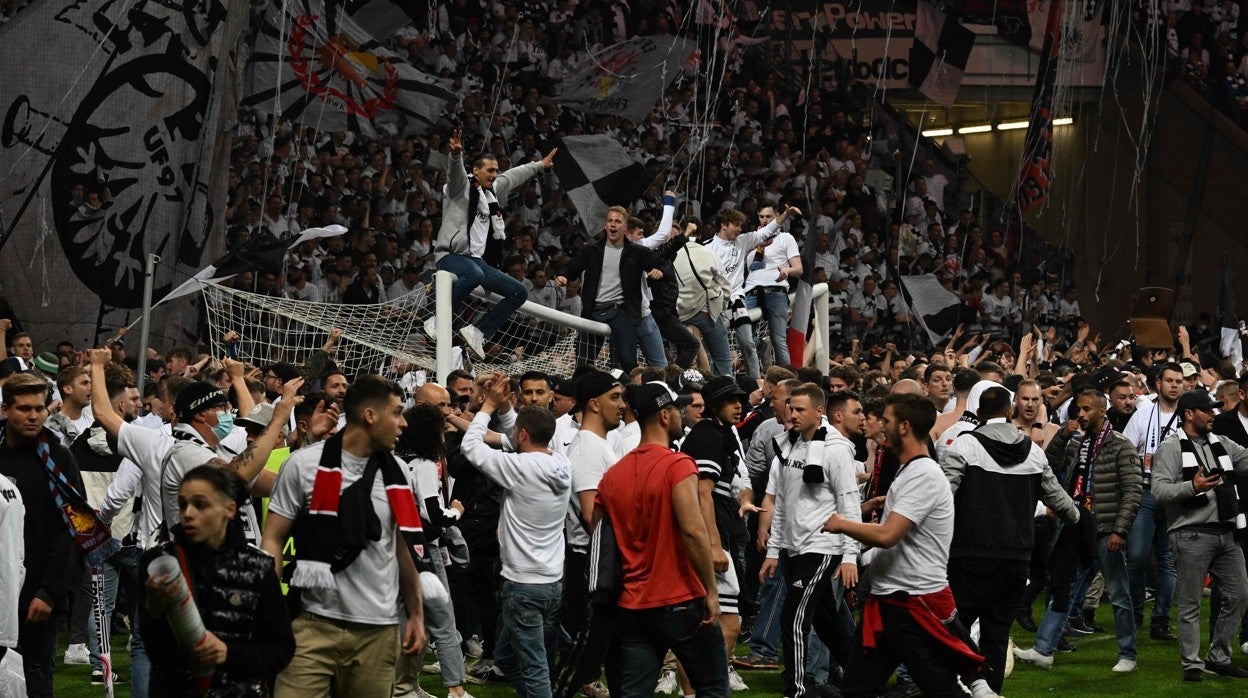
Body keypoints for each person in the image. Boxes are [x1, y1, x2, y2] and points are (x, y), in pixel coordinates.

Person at [262, 375, 427, 696]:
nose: (403, 423)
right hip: (313, 624)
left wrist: (417, 614)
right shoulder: (302, 465)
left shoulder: (399, 473)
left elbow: (400, 548)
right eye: (396, 412)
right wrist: (267, 607)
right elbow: (273, 540)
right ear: (370, 416)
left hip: (378, 632)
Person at [825, 393, 987, 698]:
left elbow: (889, 535)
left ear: (904, 427)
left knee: (938, 685)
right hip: (890, 600)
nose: (880, 426)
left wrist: (840, 523)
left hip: (913, 602)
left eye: (886, 420)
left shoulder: (923, 474)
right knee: (858, 688)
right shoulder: (909, 470)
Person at [594, 381, 729, 697]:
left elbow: (598, 529)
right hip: (680, 598)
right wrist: (711, 591)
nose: (682, 414)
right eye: (677, 408)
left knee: (634, 692)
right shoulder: (678, 464)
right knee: (711, 687)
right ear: (664, 416)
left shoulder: (613, 476)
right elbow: (693, 531)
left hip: (632, 603)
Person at [940, 387, 1081, 686]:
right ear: (1009, 411)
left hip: (970, 556)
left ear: (979, 414)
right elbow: (1064, 505)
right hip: (1015, 559)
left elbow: (941, 497)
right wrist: (1079, 518)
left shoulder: (965, 446)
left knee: (956, 629)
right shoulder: (1032, 452)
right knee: (997, 633)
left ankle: (954, 688)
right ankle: (989, 689)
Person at [1014, 389, 1142, 674]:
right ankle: (1044, 650)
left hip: (1106, 526)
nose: (1080, 415)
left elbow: (1133, 491)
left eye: (1086, 410)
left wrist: (1120, 530)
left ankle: (1128, 654)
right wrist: (1061, 436)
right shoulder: (1077, 442)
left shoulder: (1121, 445)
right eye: (1078, 410)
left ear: (1101, 411)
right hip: (1078, 524)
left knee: (1118, 593)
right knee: (1064, 586)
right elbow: (1049, 464)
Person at [460, 374, 572, 698]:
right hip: (551, 581)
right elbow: (516, 436)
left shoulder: (518, 468)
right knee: (508, 658)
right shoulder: (560, 462)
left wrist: (489, 406)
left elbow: (470, 446)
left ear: (523, 435)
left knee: (535, 666)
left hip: (523, 585)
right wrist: (507, 404)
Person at [139, 466, 295, 695]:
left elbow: (280, 650)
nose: (187, 514)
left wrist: (228, 653)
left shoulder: (258, 567)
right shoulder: (161, 562)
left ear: (230, 509)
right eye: (182, 504)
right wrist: (153, 608)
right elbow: (155, 652)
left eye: (200, 505)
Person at [0, 372, 109, 697]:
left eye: (39, 408)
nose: (33, 416)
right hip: (1, 586)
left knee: (35, 677)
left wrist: (49, 591)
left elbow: (71, 531)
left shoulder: (58, 459)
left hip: (37, 591)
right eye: (24, 409)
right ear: (6, 410)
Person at [760, 385, 861, 697]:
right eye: (791, 408)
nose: (792, 415)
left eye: (800, 409)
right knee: (830, 624)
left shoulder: (836, 449)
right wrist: (775, 551)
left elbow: (849, 504)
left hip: (822, 547)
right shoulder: (788, 448)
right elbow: (781, 505)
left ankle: (797, 688)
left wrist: (848, 556)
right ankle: (864, 679)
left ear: (820, 412)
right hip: (793, 548)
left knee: (793, 617)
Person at [1151, 390, 1248, 681]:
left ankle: (1219, 656)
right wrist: (1192, 487)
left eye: (1214, 410)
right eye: (1207, 410)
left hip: (1227, 532)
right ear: (1189, 413)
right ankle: (1192, 663)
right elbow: (1159, 491)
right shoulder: (1170, 448)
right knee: (1191, 602)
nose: (1213, 415)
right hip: (1191, 532)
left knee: (1241, 594)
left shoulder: (1222, 443)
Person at [434, 129, 555, 359]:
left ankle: (477, 332)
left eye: (495, 170)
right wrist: (456, 156)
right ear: (475, 171)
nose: (494, 174)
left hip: (477, 263)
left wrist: (539, 165)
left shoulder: (490, 192)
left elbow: (512, 176)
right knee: (475, 275)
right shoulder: (460, 189)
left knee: (518, 292)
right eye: (490, 170)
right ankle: (438, 317)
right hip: (451, 256)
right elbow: (455, 174)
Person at [680, 375, 754, 690]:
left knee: (717, 623)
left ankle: (698, 690)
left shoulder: (719, 432)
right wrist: (712, 544)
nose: (738, 406)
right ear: (713, 405)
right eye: (729, 401)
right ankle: (700, 689)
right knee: (721, 624)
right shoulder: (708, 434)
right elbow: (701, 492)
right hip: (711, 539)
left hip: (718, 534)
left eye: (740, 400)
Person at [555, 206, 675, 371]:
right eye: (610, 221)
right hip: (592, 312)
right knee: (583, 364)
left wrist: (660, 270)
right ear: (605, 225)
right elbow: (571, 266)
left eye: (617, 221)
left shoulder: (637, 252)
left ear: (625, 227)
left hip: (621, 312)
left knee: (628, 362)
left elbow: (664, 265)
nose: (613, 224)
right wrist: (563, 275)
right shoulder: (591, 250)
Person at [1122, 362, 1185, 639]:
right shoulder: (1143, 413)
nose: (1175, 385)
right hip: (1145, 492)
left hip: (1176, 496)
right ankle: (1136, 612)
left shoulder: (1189, 415)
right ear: (1158, 383)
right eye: (1170, 380)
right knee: (1136, 556)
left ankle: (1160, 621)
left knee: (1168, 561)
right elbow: (1126, 449)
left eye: (1179, 381)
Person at [742, 204, 804, 368]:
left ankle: (787, 379)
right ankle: (761, 351)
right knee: (745, 336)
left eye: (768, 217)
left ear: (777, 216)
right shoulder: (751, 239)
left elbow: (799, 269)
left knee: (778, 340)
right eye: (761, 216)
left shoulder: (785, 238)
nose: (764, 220)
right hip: (751, 291)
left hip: (775, 290)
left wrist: (787, 270)